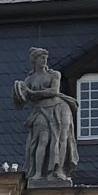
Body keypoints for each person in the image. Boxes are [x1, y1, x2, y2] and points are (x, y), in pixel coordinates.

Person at [13, 47, 79, 183]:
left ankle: (58, 171)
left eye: (45, 58)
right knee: (41, 140)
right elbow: (20, 101)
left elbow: (53, 91)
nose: (44, 60)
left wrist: (32, 93)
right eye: (41, 58)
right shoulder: (30, 79)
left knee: (61, 139)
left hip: (59, 108)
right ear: (35, 60)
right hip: (41, 110)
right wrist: (17, 92)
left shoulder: (54, 74)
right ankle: (38, 173)